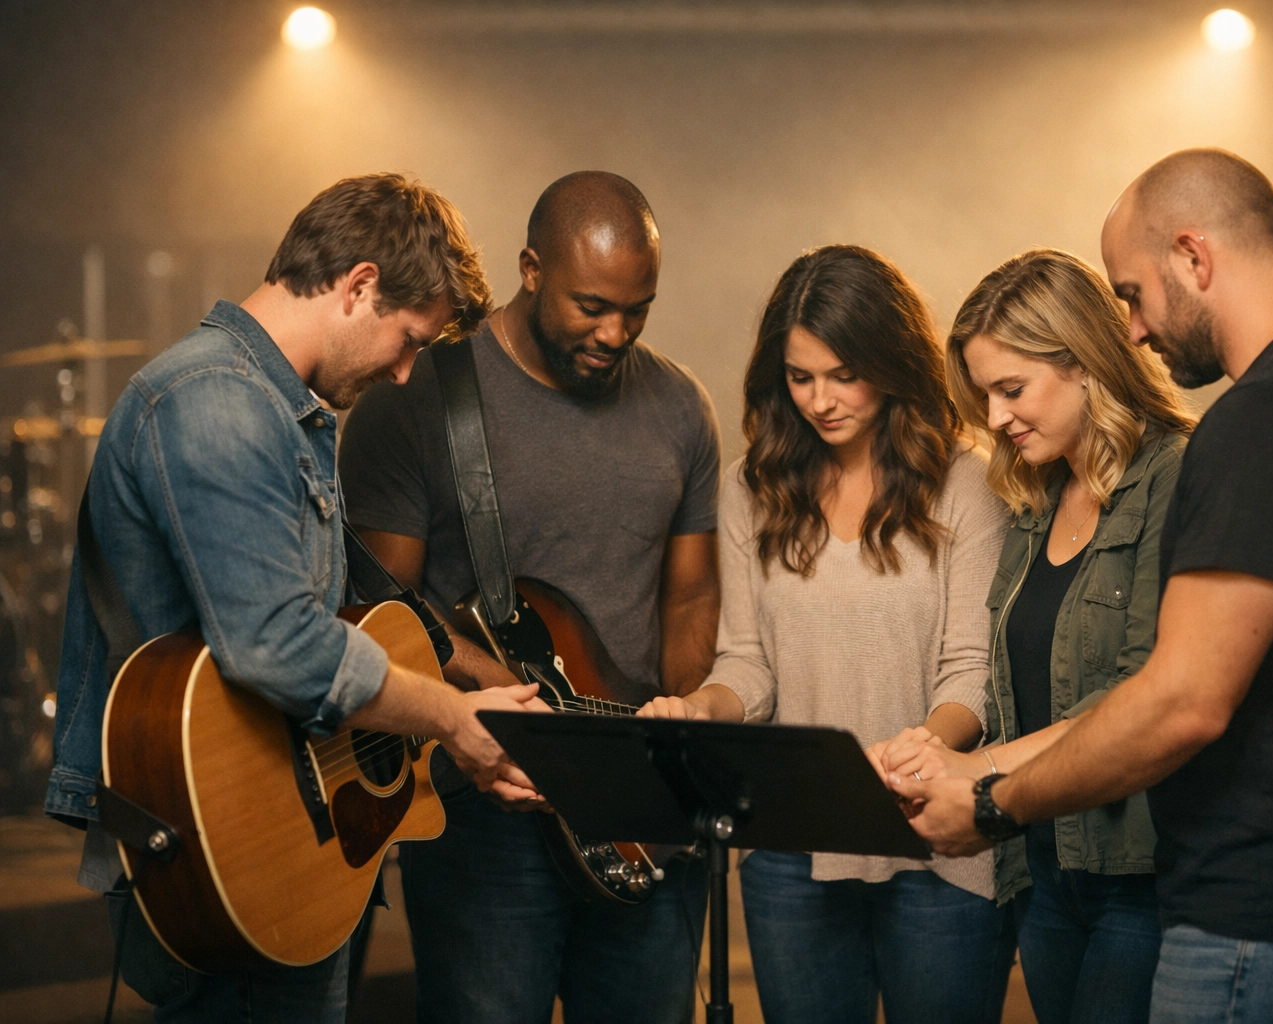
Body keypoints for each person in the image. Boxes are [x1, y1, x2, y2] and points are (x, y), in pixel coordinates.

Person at [894, 148, 1273, 1023]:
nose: (1131, 326)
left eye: (1131, 293)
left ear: (1195, 258)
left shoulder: (1261, 420)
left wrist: (990, 797)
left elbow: (1181, 701)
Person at [44, 173, 545, 1023]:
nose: (402, 372)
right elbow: (275, 643)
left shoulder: (282, 413)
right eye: (409, 339)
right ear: (358, 286)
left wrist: (467, 702)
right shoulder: (217, 403)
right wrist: (453, 721)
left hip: (288, 846)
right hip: (217, 855)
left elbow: (332, 627)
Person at [338, 170, 722, 1024]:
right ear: (531, 268)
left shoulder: (680, 406)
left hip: (637, 799)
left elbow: (692, 598)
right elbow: (381, 609)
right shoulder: (419, 396)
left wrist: (682, 718)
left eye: (638, 309)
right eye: (592, 307)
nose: (615, 333)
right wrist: (499, 696)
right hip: (488, 799)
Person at [640, 244, 1015, 1024]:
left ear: (893, 360)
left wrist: (922, 748)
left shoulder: (965, 479)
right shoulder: (752, 486)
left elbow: (972, 668)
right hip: (790, 846)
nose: (821, 400)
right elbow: (747, 662)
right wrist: (700, 709)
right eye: (801, 376)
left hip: (936, 835)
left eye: (845, 374)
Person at [874, 247, 1195, 1024]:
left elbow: (1139, 693)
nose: (994, 419)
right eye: (984, 396)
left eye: (1011, 389)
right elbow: (1003, 676)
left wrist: (972, 769)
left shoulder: (1176, 475)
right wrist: (928, 749)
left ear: (1085, 362)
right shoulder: (1030, 496)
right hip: (1041, 866)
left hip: (1139, 876)